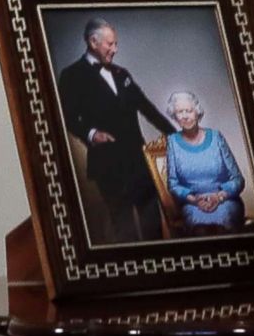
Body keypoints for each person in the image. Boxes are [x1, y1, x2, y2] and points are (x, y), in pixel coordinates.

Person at [57, 17, 174, 243]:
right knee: (124, 227)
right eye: (110, 44)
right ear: (93, 42)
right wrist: (91, 134)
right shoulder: (72, 75)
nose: (115, 49)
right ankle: (134, 276)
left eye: (116, 44)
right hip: (108, 164)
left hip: (139, 162)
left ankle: (160, 273)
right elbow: (66, 116)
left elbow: (147, 108)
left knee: (152, 225)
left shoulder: (122, 74)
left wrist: (176, 136)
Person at [163, 91, 246, 236]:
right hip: (193, 204)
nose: (185, 116)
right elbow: (173, 184)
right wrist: (194, 200)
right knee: (199, 230)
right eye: (179, 112)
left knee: (224, 226)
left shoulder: (216, 137)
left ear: (197, 112)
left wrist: (219, 197)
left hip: (224, 201)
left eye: (188, 110)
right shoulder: (172, 142)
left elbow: (238, 180)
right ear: (174, 117)